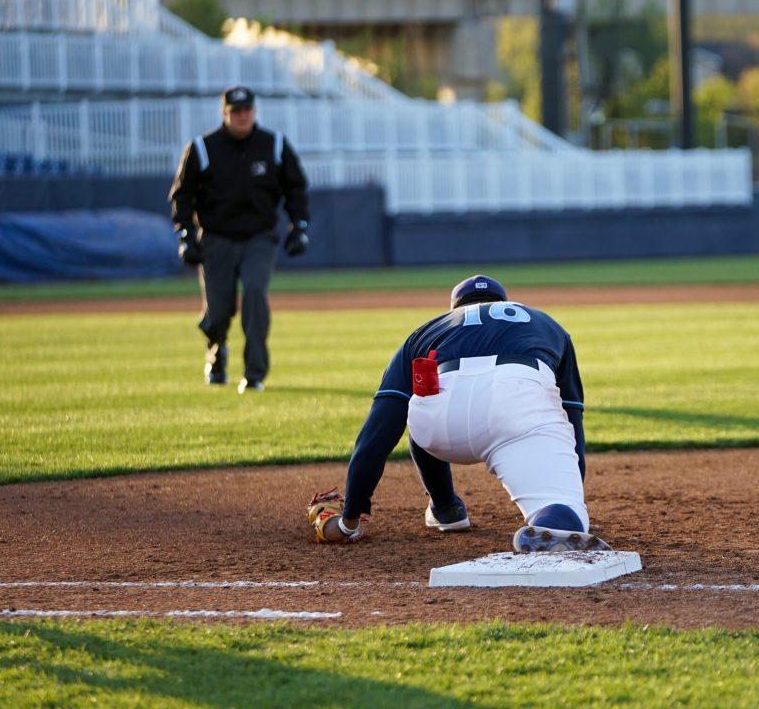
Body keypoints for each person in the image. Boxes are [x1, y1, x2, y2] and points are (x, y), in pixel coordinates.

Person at [309, 274, 609, 553]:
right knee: (564, 515)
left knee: (420, 405)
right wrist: (567, 494)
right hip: (516, 408)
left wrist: (349, 520)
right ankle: (555, 518)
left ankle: (446, 509)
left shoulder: (429, 329)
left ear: (455, 309)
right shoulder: (545, 323)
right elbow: (572, 420)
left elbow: (379, 431)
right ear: (505, 302)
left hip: (437, 426)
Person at [168, 86, 310, 393]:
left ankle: (254, 372)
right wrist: (186, 236)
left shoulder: (273, 145)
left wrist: (299, 226)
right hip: (216, 238)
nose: (242, 116)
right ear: (225, 113)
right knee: (218, 311)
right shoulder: (203, 148)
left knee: (256, 293)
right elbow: (182, 196)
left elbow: (296, 188)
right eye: (235, 111)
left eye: (247, 110)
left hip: (260, 237)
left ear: (254, 111)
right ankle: (216, 351)